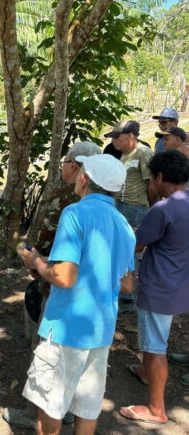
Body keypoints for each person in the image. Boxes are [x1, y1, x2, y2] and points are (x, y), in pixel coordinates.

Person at [19, 154, 135, 435]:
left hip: (65, 329)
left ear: (84, 179)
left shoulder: (75, 213)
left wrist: (36, 262)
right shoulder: (125, 226)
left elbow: (64, 276)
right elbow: (128, 285)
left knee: (50, 403)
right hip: (101, 329)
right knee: (87, 407)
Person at [3, 141, 102, 430]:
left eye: (65, 161)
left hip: (60, 292)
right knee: (81, 363)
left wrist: (33, 259)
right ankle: (68, 409)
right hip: (95, 303)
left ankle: (41, 414)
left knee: (47, 362)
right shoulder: (109, 207)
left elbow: (49, 248)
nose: (62, 166)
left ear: (75, 166)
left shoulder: (68, 202)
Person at [119, 150, 189, 425]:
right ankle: (146, 373)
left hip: (159, 286)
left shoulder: (163, 209)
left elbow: (137, 242)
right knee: (155, 339)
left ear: (159, 177)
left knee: (156, 346)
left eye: (151, 179)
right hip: (179, 283)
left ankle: (156, 408)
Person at [105, 120, 153, 312]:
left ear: (131, 136)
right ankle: (124, 293)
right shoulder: (124, 154)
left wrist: (149, 207)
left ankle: (128, 298)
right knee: (121, 249)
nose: (114, 141)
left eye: (117, 137)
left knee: (129, 250)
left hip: (135, 208)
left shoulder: (144, 153)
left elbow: (152, 184)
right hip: (121, 205)